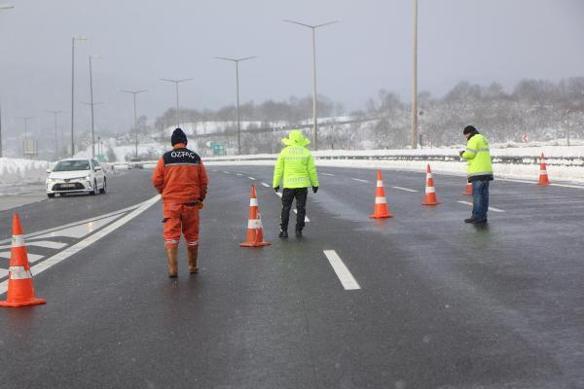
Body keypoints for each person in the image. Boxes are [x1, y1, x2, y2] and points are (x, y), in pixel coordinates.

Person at [152, 128, 208, 277]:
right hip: (191, 203)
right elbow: (203, 181)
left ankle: (173, 270)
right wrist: (200, 198)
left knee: (171, 236)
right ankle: (192, 266)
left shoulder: (165, 158)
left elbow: (156, 180)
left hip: (171, 205)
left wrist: (164, 193)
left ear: (172, 143)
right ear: (185, 142)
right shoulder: (194, 157)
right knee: (192, 237)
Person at [272, 129, 319, 238]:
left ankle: (284, 231)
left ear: (290, 140)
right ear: (301, 140)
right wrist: (315, 184)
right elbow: (311, 170)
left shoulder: (284, 152)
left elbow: (278, 169)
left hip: (288, 186)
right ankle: (299, 230)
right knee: (301, 208)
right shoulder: (306, 153)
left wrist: (276, 184)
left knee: (286, 208)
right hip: (302, 186)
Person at [460, 125, 493, 224]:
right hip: (486, 171)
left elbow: (470, 154)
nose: (466, 138)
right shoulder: (483, 138)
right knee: (484, 195)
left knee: (477, 195)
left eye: (466, 136)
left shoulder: (473, 139)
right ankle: (483, 216)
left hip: (478, 172)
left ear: (468, 133)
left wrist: (462, 154)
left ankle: (476, 216)